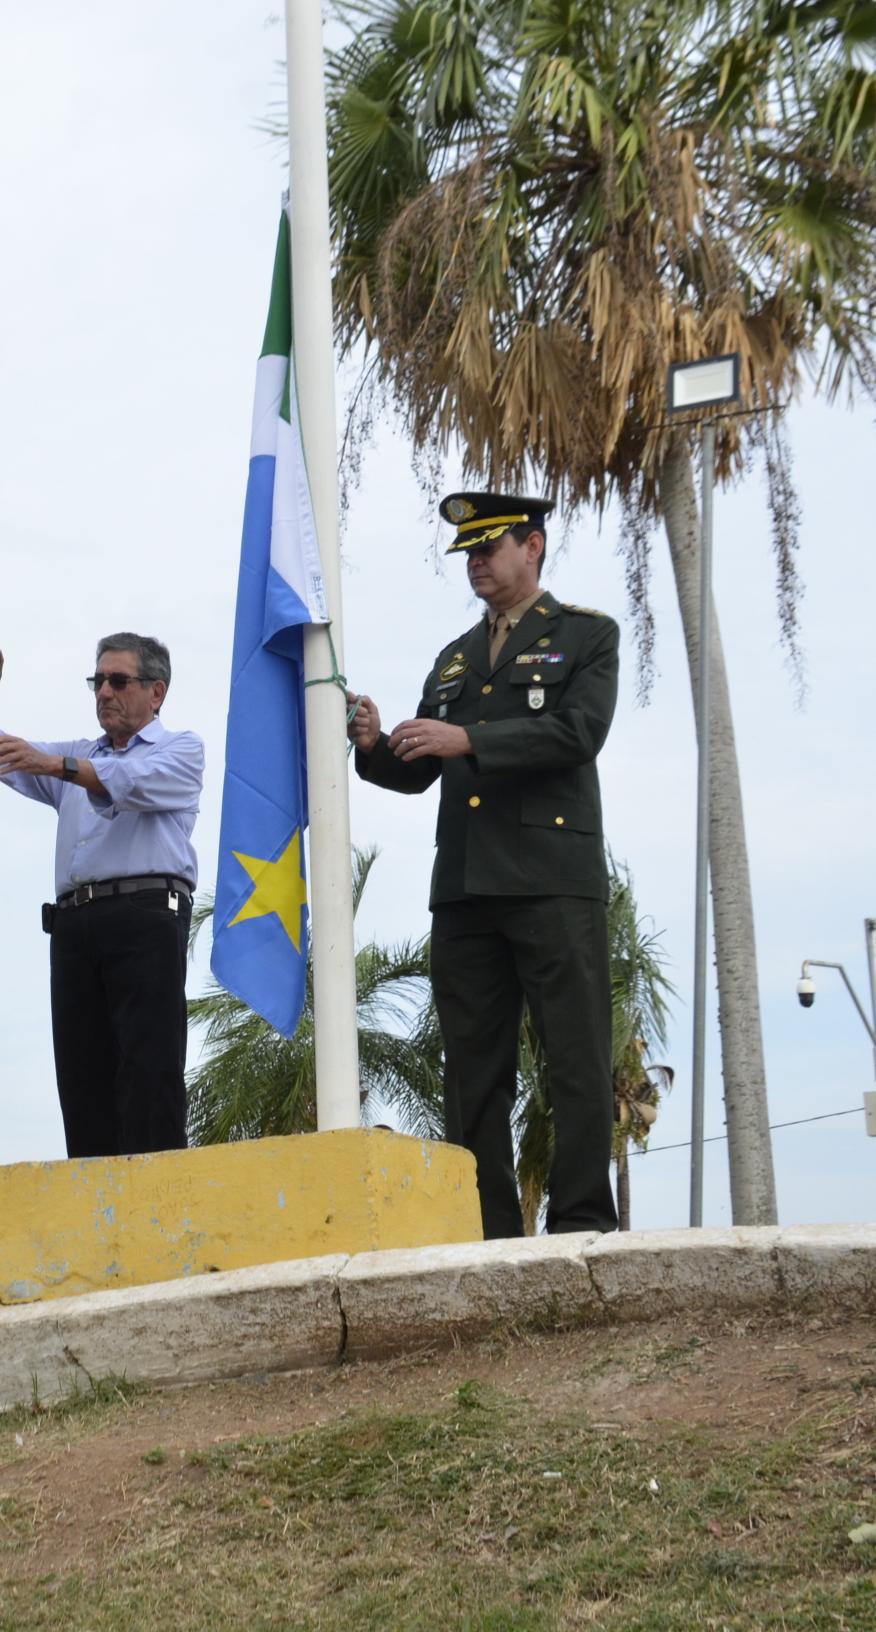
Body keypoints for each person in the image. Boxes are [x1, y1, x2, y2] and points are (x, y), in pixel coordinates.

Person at [344, 492, 620, 1238]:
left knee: (574, 1057)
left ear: (533, 547)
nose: (475, 564)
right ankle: (489, 1232)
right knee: (471, 1070)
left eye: (489, 549)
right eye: (466, 554)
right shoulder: (455, 656)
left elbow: (578, 732)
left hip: (550, 878)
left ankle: (584, 1222)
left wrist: (467, 739)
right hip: (465, 886)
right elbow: (418, 769)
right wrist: (372, 743)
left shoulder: (586, 636)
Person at [0, 633, 205, 1158]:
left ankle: (155, 1205)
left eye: (118, 680)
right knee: (81, 1080)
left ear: (157, 692)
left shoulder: (182, 749)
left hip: (146, 915)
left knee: (147, 1070)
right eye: (98, 680)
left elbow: (127, 780)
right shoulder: (79, 755)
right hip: (74, 925)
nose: (104, 691)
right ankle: (95, 1210)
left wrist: (54, 765)